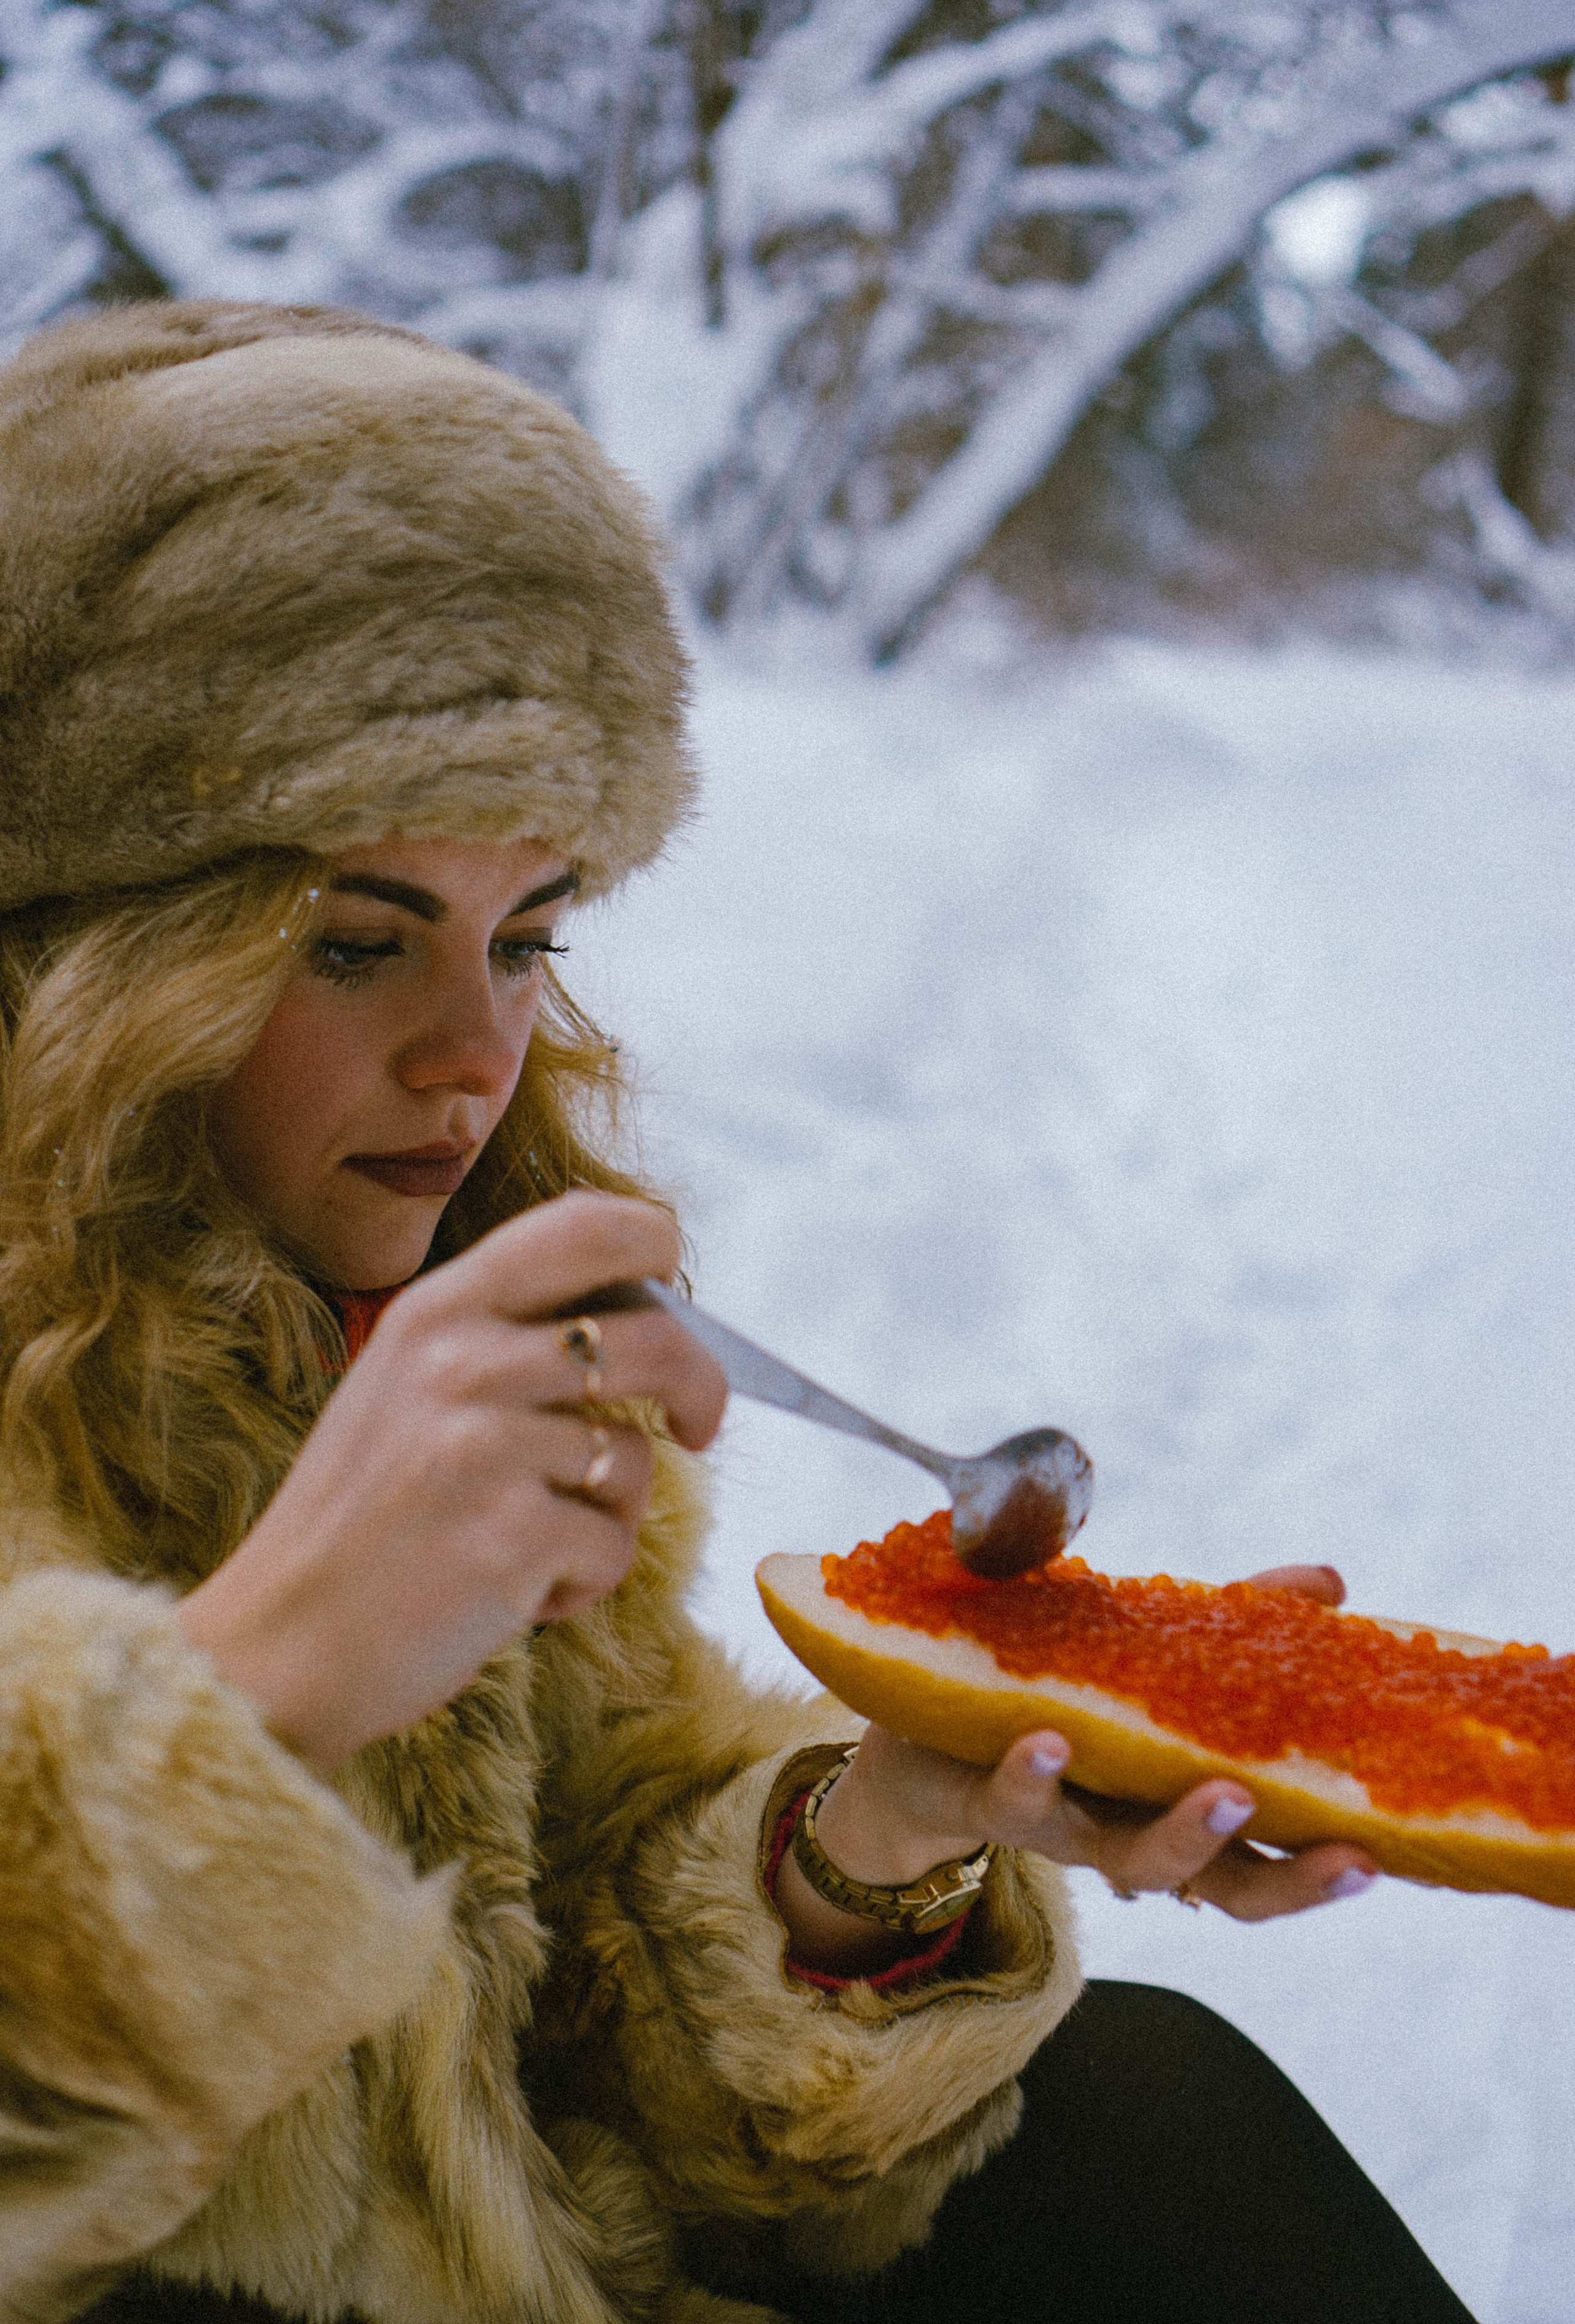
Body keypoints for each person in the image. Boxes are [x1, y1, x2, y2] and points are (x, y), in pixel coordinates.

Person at [0, 300, 1473, 2324]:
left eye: (526, 940)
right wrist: (258, 1692)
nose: (474, 1057)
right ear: (86, 960)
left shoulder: (448, 1323)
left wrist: (867, 1849)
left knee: (1150, 2102)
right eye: (354, 943)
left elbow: (577, 2012)